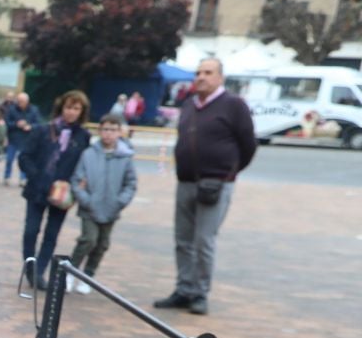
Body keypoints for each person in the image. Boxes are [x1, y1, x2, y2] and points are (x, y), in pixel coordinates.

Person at [157, 56, 255, 316]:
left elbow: (248, 146)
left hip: (216, 184)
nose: (201, 77)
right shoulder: (190, 104)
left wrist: (227, 173)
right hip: (186, 181)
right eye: (198, 72)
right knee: (182, 240)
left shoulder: (233, 105)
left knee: (204, 241)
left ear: (220, 77)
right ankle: (183, 289)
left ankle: (200, 294)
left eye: (208, 72)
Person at [16, 90, 92, 292]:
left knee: (52, 234)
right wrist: (38, 177)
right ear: (61, 108)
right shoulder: (42, 131)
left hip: (62, 194)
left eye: (76, 108)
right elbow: (24, 157)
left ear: (82, 112)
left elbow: (84, 165)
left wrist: (75, 184)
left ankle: (39, 272)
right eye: (68, 107)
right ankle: (30, 267)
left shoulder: (83, 137)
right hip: (37, 190)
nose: (71, 112)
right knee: (31, 230)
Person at [68, 113, 137, 293]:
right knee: (88, 240)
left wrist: (120, 201)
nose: (108, 134)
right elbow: (76, 180)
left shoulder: (125, 157)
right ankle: (70, 272)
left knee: (102, 245)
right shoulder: (89, 154)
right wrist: (86, 199)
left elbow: (131, 183)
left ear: (119, 132)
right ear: (99, 131)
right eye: (105, 129)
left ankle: (88, 276)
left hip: (111, 208)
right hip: (89, 207)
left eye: (113, 130)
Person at [4, 91, 43, 185]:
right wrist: (17, 124)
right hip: (13, 138)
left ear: (27, 101)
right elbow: (7, 122)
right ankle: (7, 177)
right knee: (9, 159)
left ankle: (23, 178)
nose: (20, 103)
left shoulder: (34, 110)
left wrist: (30, 126)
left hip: (27, 139)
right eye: (18, 101)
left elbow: (39, 124)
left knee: (24, 160)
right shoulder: (12, 109)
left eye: (22, 101)